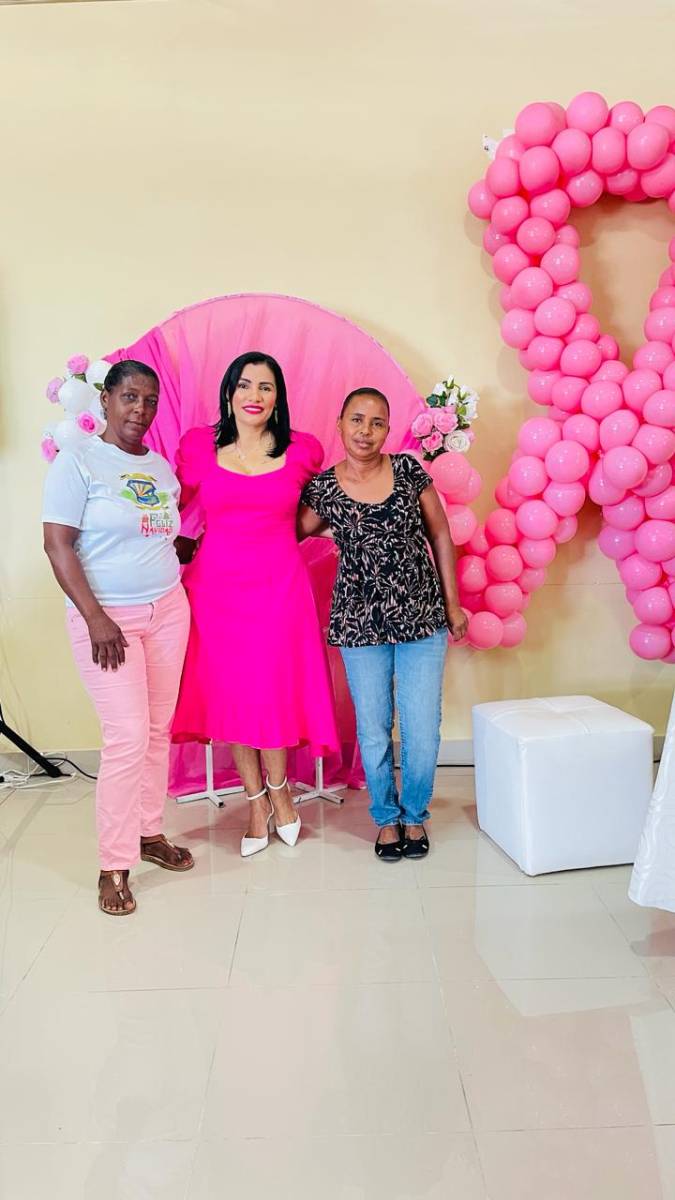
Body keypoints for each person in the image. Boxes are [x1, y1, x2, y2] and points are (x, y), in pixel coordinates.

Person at [171, 351, 339, 856]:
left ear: (278, 397)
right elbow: (169, 507)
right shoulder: (198, 448)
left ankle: (281, 792)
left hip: (280, 589)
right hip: (216, 592)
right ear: (228, 392)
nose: (254, 396)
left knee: (272, 692)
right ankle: (255, 802)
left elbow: (322, 509)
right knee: (232, 695)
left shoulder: (302, 450)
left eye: (265, 387)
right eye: (244, 385)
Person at [42, 360, 194, 916]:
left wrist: (185, 549)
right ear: (105, 399)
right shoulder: (78, 460)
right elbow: (57, 544)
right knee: (127, 736)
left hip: (168, 611)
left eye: (150, 400)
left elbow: (156, 533)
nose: (140, 409)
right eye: (130, 397)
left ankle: (149, 833)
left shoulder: (158, 466)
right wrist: (96, 618)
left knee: (156, 731)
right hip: (108, 621)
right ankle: (114, 863)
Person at [298, 387, 468, 861]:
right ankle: (386, 818)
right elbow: (285, 535)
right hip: (359, 624)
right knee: (373, 729)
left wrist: (453, 604)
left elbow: (441, 534)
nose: (365, 431)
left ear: (388, 430)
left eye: (376, 423)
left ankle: (414, 814)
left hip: (422, 617)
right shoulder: (324, 489)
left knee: (422, 728)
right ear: (340, 424)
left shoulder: (410, 472)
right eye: (357, 420)